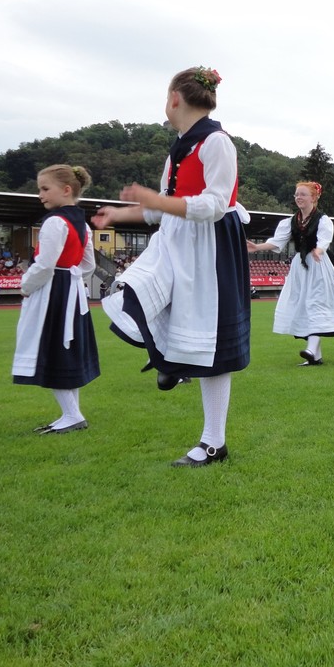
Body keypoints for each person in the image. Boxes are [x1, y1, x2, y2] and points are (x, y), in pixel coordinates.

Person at [94, 66, 250, 467]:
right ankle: (171, 360)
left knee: (212, 342)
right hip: (175, 241)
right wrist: (119, 214)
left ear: (175, 98)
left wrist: (158, 202)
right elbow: (161, 208)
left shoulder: (217, 143)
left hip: (210, 246)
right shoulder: (179, 149)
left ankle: (213, 441)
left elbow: (215, 204)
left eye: (166, 96)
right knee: (133, 293)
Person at [12, 165, 101, 433]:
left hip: (52, 293)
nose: (40, 195)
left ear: (66, 190)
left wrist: (26, 285)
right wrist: (72, 278)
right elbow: (88, 265)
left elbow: (44, 264)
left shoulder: (54, 222)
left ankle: (73, 415)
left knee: (52, 349)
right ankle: (71, 413)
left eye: (45, 188)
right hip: (72, 291)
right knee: (66, 350)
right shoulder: (82, 224)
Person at [248, 181, 334, 365]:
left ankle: (311, 349)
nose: (298, 197)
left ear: (313, 198)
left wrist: (319, 250)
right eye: (296, 194)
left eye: (302, 194)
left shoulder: (323, 220)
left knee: (315, 303)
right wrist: (257, 247)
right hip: (301, 267)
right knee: (304, 305)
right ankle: (315, 356)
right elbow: (277, 241)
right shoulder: (291, 221)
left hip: (319, 264)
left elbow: (324, 239)